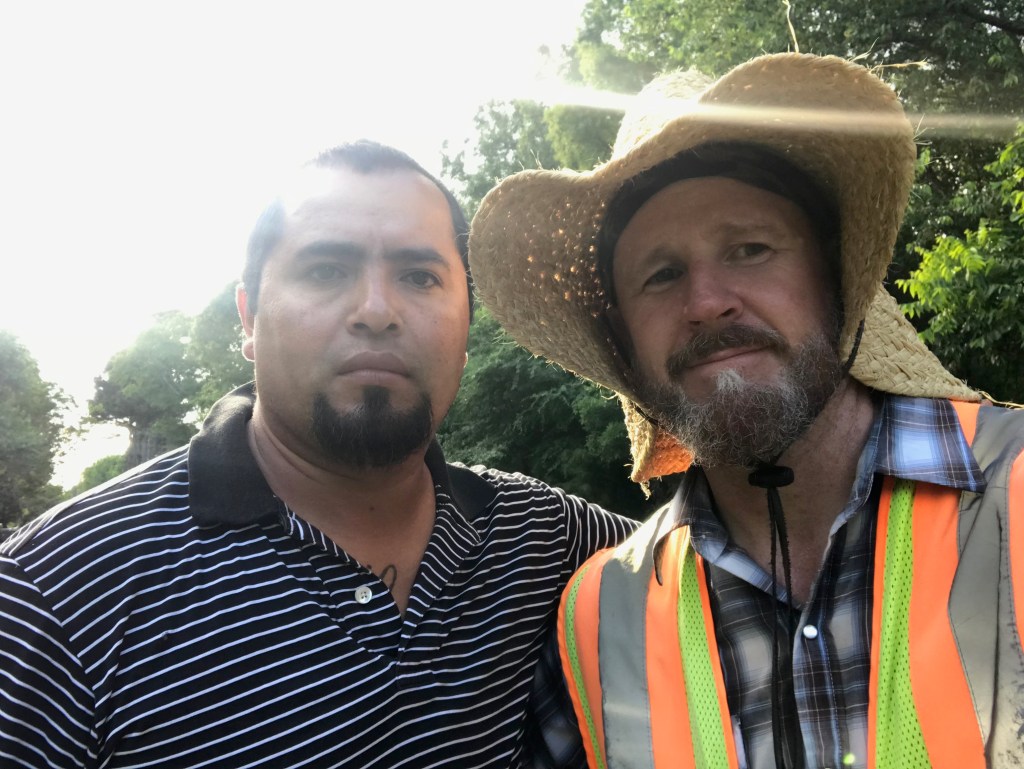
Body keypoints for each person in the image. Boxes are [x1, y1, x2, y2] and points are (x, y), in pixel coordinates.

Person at [0, 140, 636, 768]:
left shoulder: (549, 542)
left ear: (466, 326)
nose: (377, 311)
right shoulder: (55, 591)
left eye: (420, 277)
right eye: (326, 270)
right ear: (249, 319)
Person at [468, 54, 1024, 769]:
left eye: (750, 248)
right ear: (622, 346)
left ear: (834, 276)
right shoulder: (596, 622)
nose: (706, 303)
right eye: (661, 275)